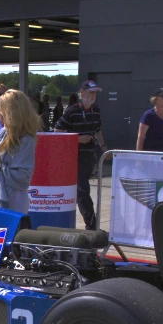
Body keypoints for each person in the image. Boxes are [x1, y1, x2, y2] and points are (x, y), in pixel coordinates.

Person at [54, 80, 106, 230]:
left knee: (83, 189)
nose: (93, 96)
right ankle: (91, 223)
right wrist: (77, 139)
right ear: (82, 94)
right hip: (75, 156)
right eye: (90, 92)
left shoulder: (95, 110)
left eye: (95, 93)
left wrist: (104, 148)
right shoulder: (71, 111)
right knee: (83, 190)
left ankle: (91, 223)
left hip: (90, 156)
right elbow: (57, 131)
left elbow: (98, 130)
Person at [0, 90, 38, 213]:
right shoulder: (4, 132)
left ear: (12, 113)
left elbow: (23, 178)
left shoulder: (26, 140)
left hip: (14, 201)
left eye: (1, 112)